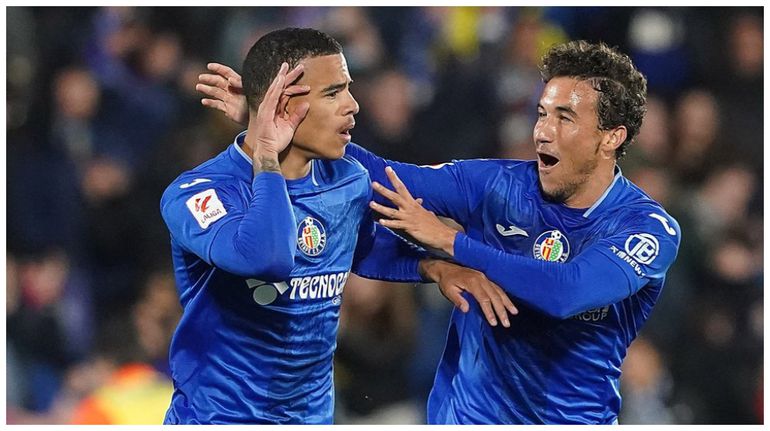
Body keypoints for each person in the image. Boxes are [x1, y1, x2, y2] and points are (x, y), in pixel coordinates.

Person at [198, 39, 681, 424]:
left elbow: (568, 291)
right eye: (541, 113)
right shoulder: (495, 184)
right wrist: (278, 121)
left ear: (612, 137)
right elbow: (381, 177)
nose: (542, 132)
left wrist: (451, 242)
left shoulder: (645, 227)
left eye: (565, 117)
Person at [161, 28, 515, 425]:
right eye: (332, 93)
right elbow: (266, 258)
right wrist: (267, 159)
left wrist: (434, 267)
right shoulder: (200, 194)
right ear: (282, 105)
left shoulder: (346, 180)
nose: (353, 105)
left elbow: (360, 246)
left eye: (347, 89)